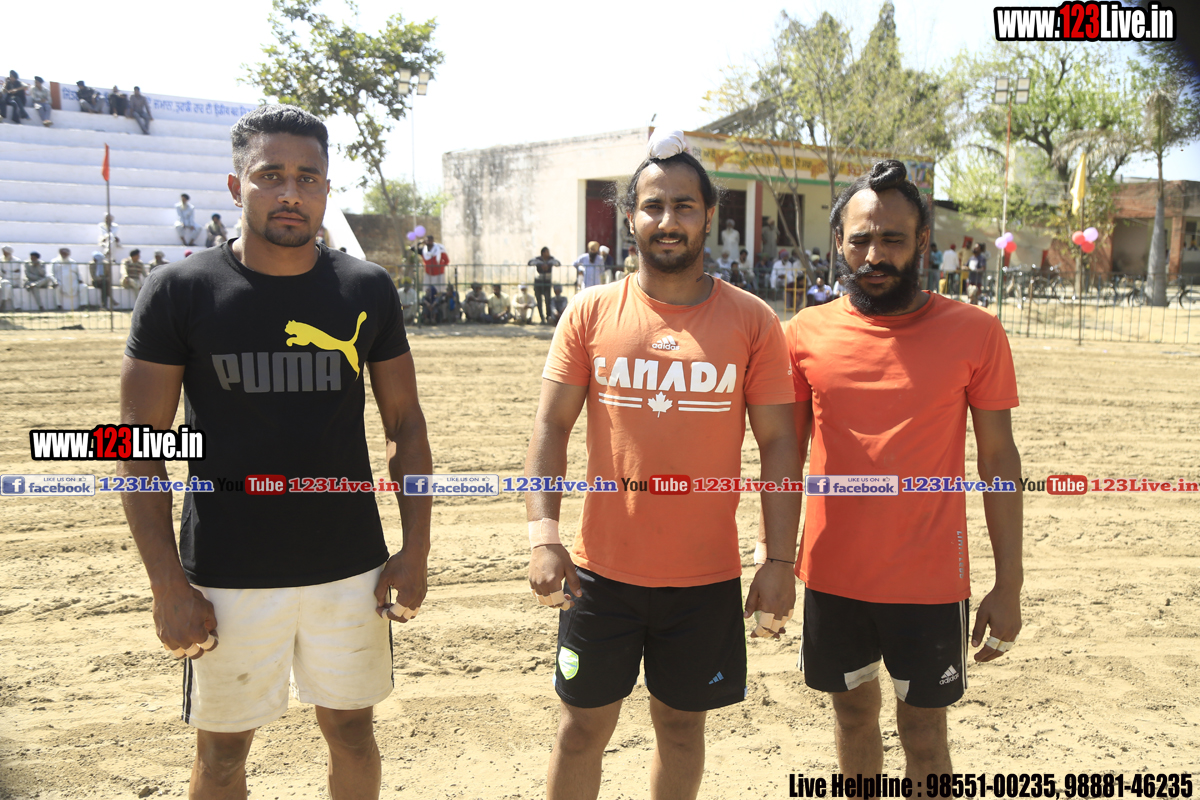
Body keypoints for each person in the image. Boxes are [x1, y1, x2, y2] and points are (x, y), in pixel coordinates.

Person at [119, 104, 432, 800]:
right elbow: (137, 447)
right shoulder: (180, 291)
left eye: (307, 177)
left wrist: (416, 549)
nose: (291, 192)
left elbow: (405, 425)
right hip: (226, 574)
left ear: (326, 189)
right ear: (237, 186)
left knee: (353, 733)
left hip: (349, 566)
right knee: (222, 754)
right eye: (271, 175)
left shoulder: (365, 288)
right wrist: (167, 583)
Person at [526, 130, 801, 800]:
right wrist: (543, 536)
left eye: (684, 206)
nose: (668, 220)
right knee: (580, 731)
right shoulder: (590, 312)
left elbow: (779, 445)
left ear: (709, 216)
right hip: (600, 574)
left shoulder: (753, 321)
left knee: (680, 729)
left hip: (704, 580)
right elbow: (551, 426)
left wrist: (779, 559)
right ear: (631, 218)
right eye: (653, 205)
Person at [783, 159, 1022, 783]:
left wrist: (1010, 583)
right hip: (833, 576)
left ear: (922, 241)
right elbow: (783, 457)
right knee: (852, 718)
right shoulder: (804, 333)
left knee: (924, 734)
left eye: (892, 238)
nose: (875, 255)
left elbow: (998, 460)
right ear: (839, 242)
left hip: (930, 582)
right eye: (860, 239)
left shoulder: (976, 332)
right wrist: (773, 558)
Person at [528, 246, 560, 324]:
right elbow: (530, 263)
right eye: (547, 252)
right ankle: (541, 318)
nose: (548, 253)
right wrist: (541, 264)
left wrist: (548, 264)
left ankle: (548, 317)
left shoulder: (551, 259)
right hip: (538, 283)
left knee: (547, 300)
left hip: (547, 283)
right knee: (539, 301)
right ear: (543, 253)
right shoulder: (538, 259)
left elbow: (558, 263)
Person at [0, 245, 19, 310]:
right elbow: (1, 273)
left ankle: (3, 303)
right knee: (7, 286)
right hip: (3, 281)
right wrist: (11, 273)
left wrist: (6, 273)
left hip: (14, 281)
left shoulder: (17, 260)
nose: (4, 254)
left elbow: (17, 275)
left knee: (5, 284)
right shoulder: (1, 260)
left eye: (5, 252)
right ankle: (17, 307)